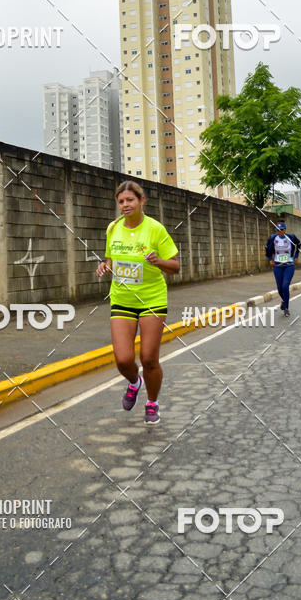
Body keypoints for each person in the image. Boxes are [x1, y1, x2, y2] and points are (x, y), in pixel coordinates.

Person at [96, 180, 179, 425]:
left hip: (152, 299)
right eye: (121, 201)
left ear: (142, 201)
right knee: (122, 359)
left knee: (148, 358)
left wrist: (158, 261)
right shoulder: (113, 228)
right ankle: (135, 382)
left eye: (130, 200)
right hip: (122, 299)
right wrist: (105, 266)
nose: (125, 205)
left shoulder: (155, 229)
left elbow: (175, 266)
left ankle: (152, 402)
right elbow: (111, 260)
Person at [265, 219, 301, 317]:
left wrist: (296, 256)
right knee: (280, 289)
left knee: (285, 286)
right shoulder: (273, 238)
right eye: (278, 230)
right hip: (278, 266)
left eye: (282, 229)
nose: (280, 231)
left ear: (285, 230)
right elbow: (267, 248)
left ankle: (286, 308)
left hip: (289, 266)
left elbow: (299, 244)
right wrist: (270, 259)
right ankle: (284, 302)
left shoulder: (291, 237)